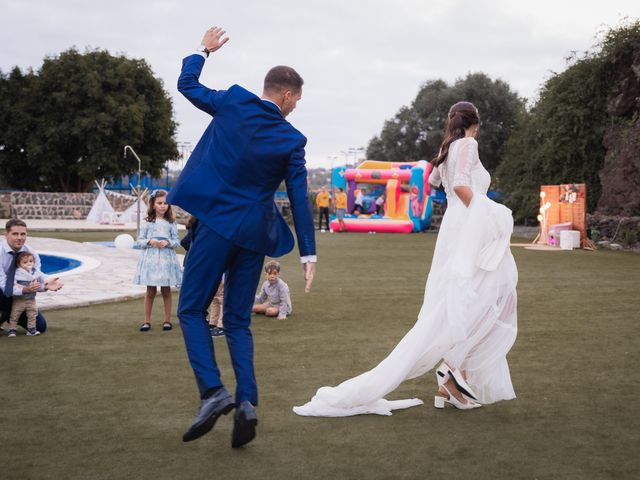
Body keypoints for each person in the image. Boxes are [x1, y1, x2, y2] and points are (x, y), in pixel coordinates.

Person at [294, 101, 518, 417]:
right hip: (469, 226)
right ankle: (452, 374)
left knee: (467, 301)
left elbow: (435, 180)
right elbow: (459, 186)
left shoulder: (451, 148)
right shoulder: (467, 144)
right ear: (476, 123)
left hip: (458, 228)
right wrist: (491, 214)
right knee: (489, 295)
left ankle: (452, 380)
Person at [167, 26, 316, 448]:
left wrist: (203, 50)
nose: (296, 107)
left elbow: (187, 84)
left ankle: (214, 392)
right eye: (297, 100)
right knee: (237, 322)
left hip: (215, 225)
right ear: (286, 95)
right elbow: (299, 198)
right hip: (254, 234)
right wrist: (309, 254)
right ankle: (247, 404)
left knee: (191, 310)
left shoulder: (232, 101)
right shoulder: (293, 138)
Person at [1, 219, 63, 334]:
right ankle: (3, 315)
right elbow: (3, 284)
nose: (19, 237)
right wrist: (24, 289)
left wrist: (46, 283)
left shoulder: (31, 253)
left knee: (40, 327)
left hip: (20, 299)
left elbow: (36, 275)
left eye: (23, 234)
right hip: (3, 293)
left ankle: (8, 316)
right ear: (6, 235)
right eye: (15, 234)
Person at [133, 189, 183, 332]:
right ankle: (146, 321)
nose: (163, 206)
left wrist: (168, 242)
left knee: (166, 290)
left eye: (165, 203)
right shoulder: (147, 222)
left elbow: (176, 241)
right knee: (150, 291)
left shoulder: (171, 222)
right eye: (159, 203)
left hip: (166, 259)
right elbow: (139, 241)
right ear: (153, 204)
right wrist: (151, 241)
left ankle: (167, 321)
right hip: (151, 260)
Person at [181, 215, 225, 337]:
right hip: (215, 264)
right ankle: (216, 323)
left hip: (212, 265)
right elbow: (185, 241)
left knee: (218, 297)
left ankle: (216, 323)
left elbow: (185, 242)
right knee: (218, 297)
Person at [7, 252, 46, 337]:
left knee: (32, 314)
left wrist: (45, 287)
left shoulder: (35, 274)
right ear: (18, 264)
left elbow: (39, 286)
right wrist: (18, 286)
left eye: (31, 261)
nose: (28, 264)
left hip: (31, 300)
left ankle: (31, 329)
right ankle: (12, 329)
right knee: (15, 314)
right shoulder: (17, 274)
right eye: (25, 262)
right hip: (19, 300)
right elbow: (12, 284)